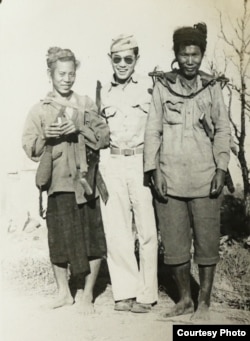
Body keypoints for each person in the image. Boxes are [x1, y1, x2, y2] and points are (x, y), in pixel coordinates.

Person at [144, 23, 231, 320]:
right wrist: (153, 170)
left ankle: (204, 303)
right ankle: (184, 300)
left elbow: (222, 130)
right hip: (170, 178)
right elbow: (152, 131)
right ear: (176, 55)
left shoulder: (212, 87)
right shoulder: (162, 86)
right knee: (175, 245)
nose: (190, 60)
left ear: (202, 54)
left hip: (206, 178)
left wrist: (221, 168)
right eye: (184, 54)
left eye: (195, 54)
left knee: (206, 243)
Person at [22, 47, 109, 313]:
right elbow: (29, 147)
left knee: (92, 241)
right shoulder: (39, 109)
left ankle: (87, 295)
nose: (67, 79)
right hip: (57, 185)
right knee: (58, 243)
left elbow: (104, 136)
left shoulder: (85, 104)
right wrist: (45, 136)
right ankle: (64, 293)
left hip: (85, 184)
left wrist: (80, 127)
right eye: (61, 74)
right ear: (51, 74)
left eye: (71, 74)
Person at [99, 34, 158, 313]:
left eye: (128, 59)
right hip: (112, 163)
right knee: (118, 230)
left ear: (136, 59)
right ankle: (124, 291)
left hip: (140, 162)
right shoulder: (103, 92)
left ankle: (146, 294)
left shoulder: (149, 88)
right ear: (110, 59)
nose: (122, 64)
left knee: (146, 230)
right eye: (117, 58)